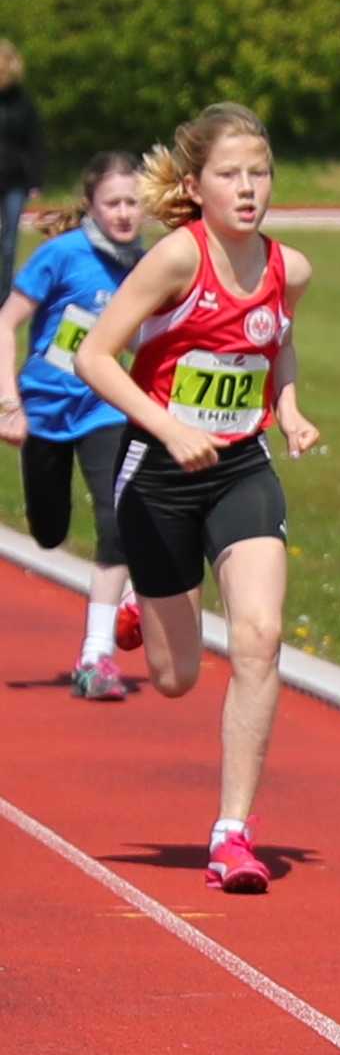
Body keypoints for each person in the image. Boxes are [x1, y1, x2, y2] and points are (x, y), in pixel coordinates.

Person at [70, 104, 319, 895]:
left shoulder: (289, 268)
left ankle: (232, 833)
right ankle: (143, 603)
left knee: (260, 636)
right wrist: (168, 427)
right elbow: (95, 357)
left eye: (260, 173)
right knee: (175, 675)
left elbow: (277, 341)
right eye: (230, 175)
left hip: (240, 466)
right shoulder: (177, 259)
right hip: (158, 471)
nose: (248, 189)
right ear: (196, 185)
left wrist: (288, 408)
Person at [1, 152, 147, 697]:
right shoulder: (61, 255)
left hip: (105, 408)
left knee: (119, 522)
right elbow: (5, 323)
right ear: (90, 206)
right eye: (113, 203)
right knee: (49, 532)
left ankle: (95, 657)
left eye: (133, 202)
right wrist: (8, 404)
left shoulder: (145, 266)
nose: (124, 213)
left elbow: (146, 342)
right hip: (44, 409)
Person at [0, 42, 43, 295]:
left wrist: (35, 180)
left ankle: (4, 294)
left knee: (9, 242)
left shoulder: (23, 103)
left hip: (15, 179)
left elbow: (34, 143)